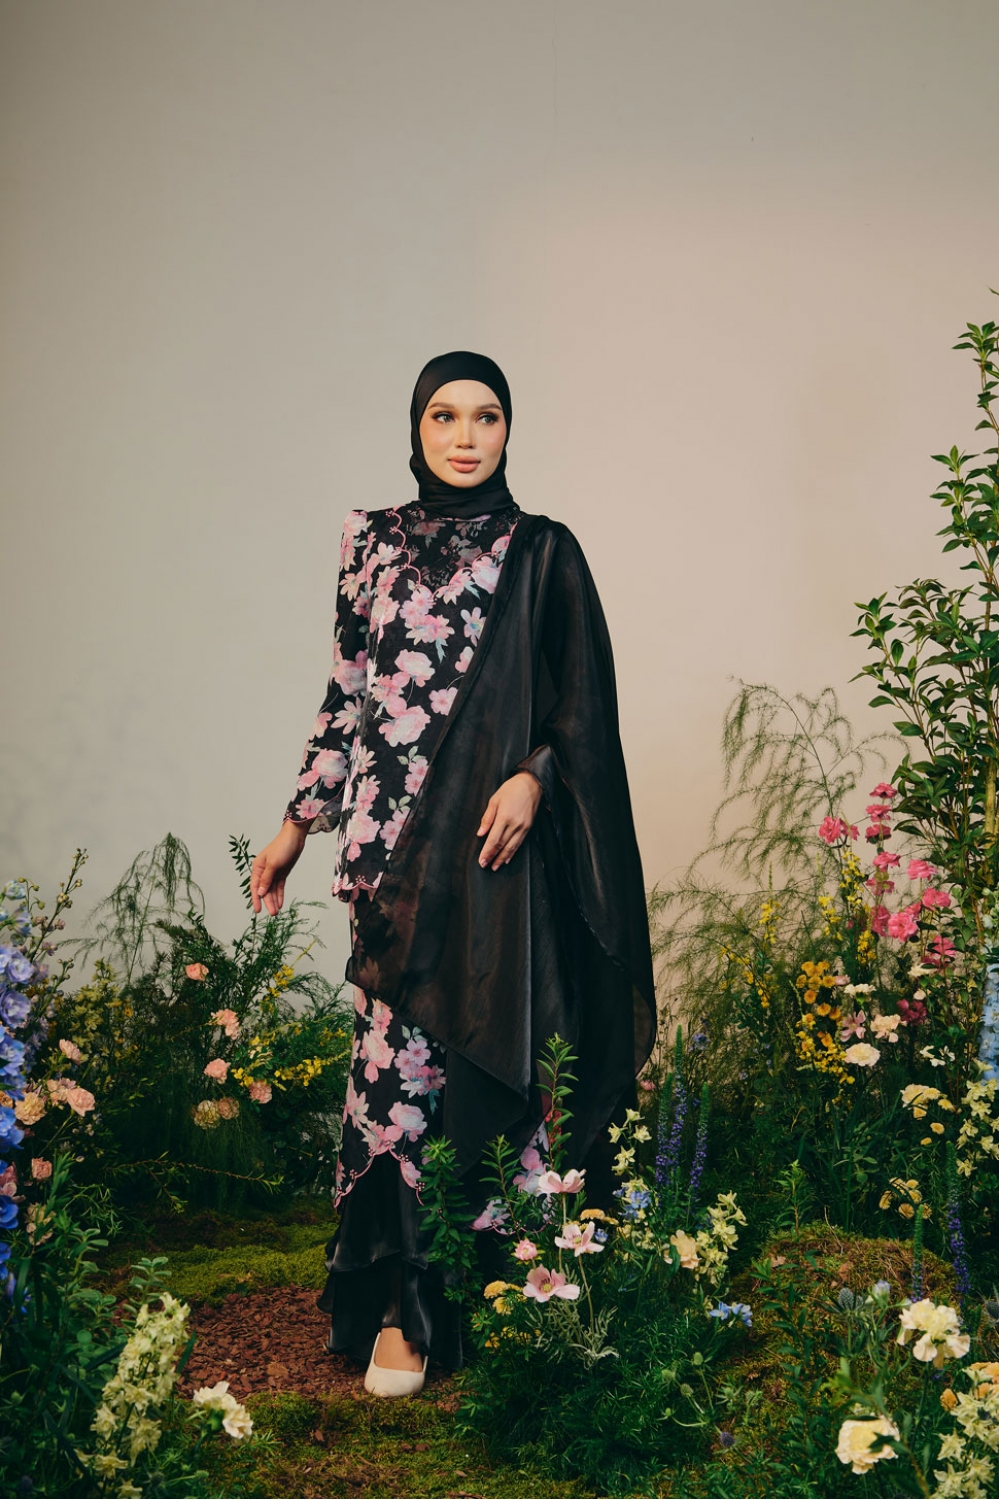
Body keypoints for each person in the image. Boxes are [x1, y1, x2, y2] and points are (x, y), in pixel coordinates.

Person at [251, 350, 655, 1397]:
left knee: (491, 1056)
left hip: (493, 850)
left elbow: (583, 711)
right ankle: (401, 1309)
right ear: (417, 427)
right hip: (388, 850)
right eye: (444, 415)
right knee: (394, 1074)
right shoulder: (371, 541)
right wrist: (298, 824)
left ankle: (507, 1296)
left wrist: (534, 777)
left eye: (485, 417)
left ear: (509, 431)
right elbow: (346, 694)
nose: (465, 436)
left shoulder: (544, 552)